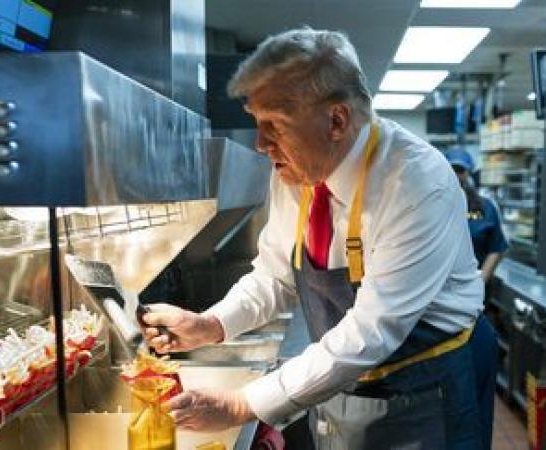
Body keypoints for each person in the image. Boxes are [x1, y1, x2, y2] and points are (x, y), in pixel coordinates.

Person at [142, 27, 497, 449]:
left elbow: (372, 332)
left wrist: (243, 404)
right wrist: (211, 324)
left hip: (424, 389)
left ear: (336, 120)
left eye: (274, 124)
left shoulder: (415, 182)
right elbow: (273, 276)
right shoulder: (299, 172)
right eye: (257, 124)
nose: (260, 144)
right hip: (344, 379)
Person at [445, 148, 508, 283]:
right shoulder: (432, 205)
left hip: (473, 285)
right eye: (451, 169)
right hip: (438, 288)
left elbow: (496, 248)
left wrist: (479, 283)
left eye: (460, 170)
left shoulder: (485, 208)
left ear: (468, 173)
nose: (455, 175)